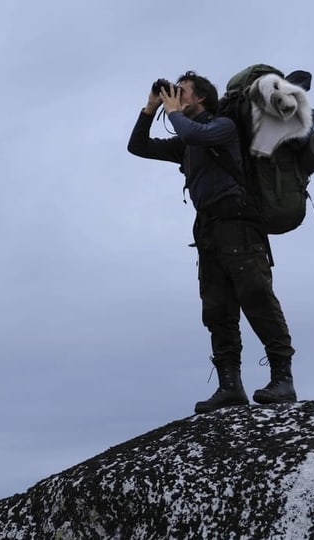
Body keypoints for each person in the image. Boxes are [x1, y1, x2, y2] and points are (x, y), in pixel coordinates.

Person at [126, 70, 297, 414]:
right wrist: (149, 109)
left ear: (201, 97)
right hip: (207, 231)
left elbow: (192, 131)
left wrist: (172, 111)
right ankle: (230, 386)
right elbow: (138, 147)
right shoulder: (188, 143)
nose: (177, 95)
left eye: (183, 91)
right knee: (217, 309)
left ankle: (283, 378)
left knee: (256, 296)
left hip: (239, 225)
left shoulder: (222, 128)